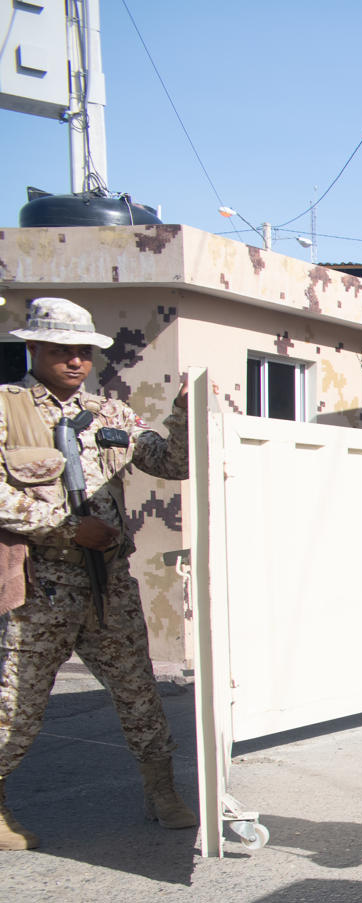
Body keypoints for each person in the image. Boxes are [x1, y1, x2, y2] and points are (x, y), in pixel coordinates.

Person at [0, 298, 195, 849]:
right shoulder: (8, 410)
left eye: (82, 353)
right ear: (33, 347)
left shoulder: (111, 414)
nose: (75, 362)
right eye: (62, 351)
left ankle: (161, 792)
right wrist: (66, 527)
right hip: (43, 587)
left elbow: (170, 463)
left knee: (139, 695)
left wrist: (184, 413)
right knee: (16, 704)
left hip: (109, 584)